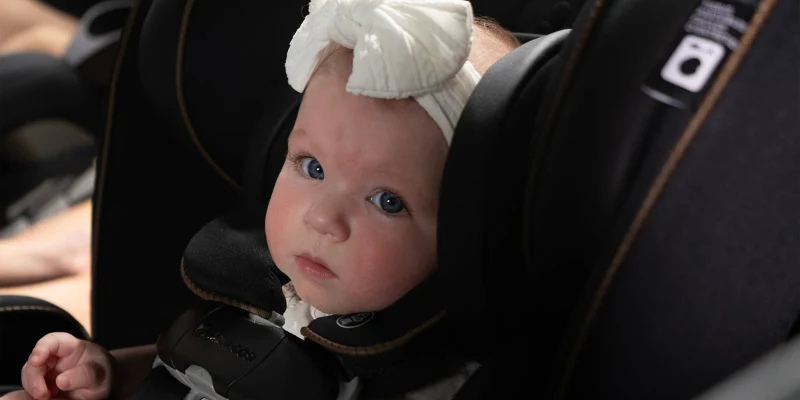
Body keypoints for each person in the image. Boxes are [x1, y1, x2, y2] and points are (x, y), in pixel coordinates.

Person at [2, 1, 521, 399]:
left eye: (387, 201)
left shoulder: (438, 377)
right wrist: (108, 372)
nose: (322, 218)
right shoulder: (263, 289)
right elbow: (184, 366)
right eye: (312, 168)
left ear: (466, 230)